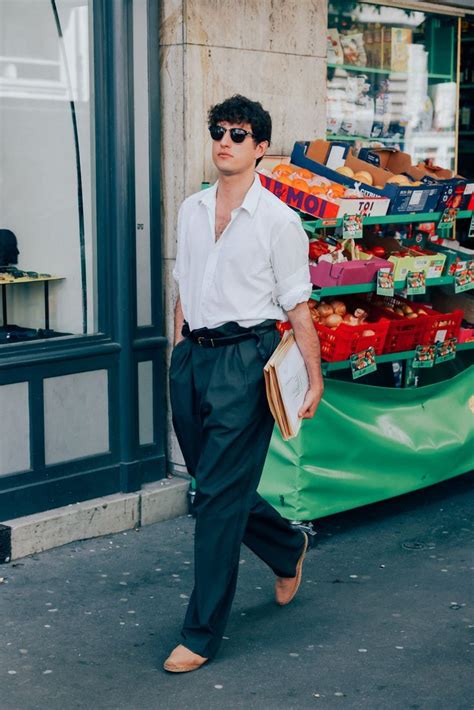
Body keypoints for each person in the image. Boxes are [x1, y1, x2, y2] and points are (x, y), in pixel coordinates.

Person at [164, 95, 324, 673]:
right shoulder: (190, 208)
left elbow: (299, 307)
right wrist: (179, 349)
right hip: (194, 360)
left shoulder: (280, 221)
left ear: (260, 147)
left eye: (239, 133)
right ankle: (287, 546)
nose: (225, 140)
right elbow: (184, 282)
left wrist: (313, 376)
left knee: (214, 504)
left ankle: (201, 634)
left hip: (245, 361)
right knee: (215, 486)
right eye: (218, 131)